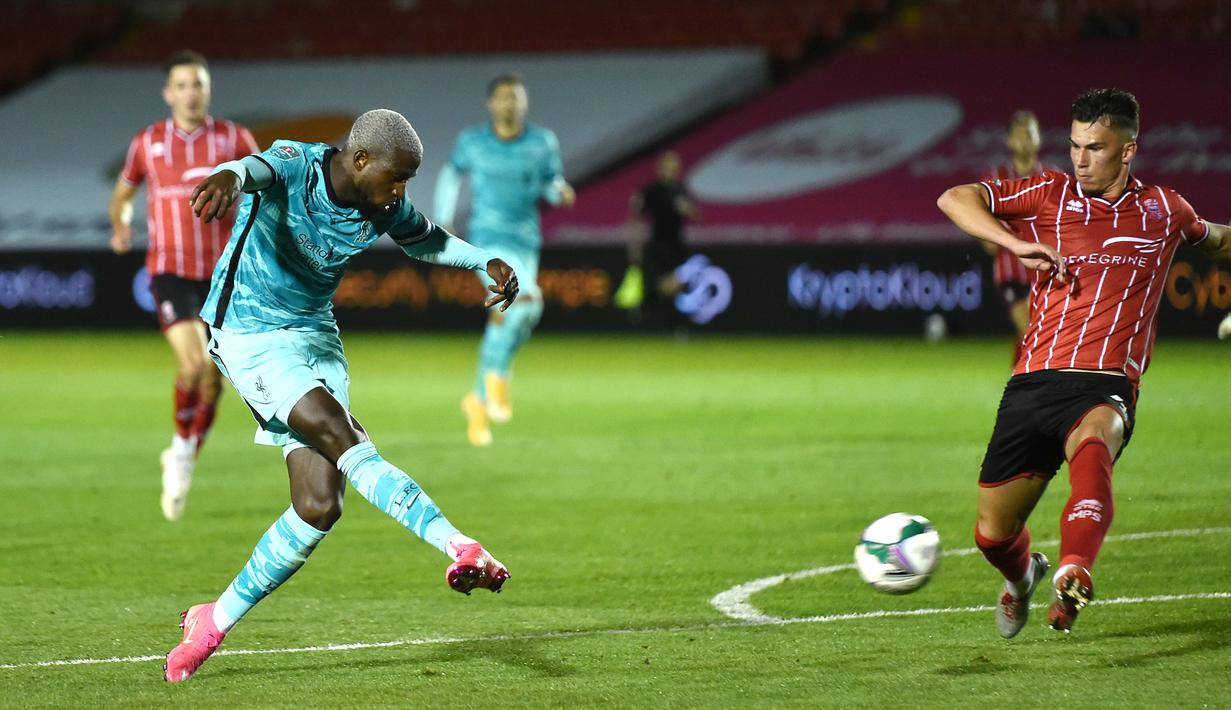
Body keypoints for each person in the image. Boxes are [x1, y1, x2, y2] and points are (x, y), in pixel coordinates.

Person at [162, 109, 519, 683]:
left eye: (406, 181)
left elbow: (425, 239)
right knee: (343, 435)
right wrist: (228, 175)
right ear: (360, 159)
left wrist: (485, 262)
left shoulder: (381, 204)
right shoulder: (296, 164)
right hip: (250, 335)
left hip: (316, 337)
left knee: (318, 505)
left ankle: (213, 619)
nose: (400, 191)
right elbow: (255, 169)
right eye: (396, 177)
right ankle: (460, 545)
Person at [937, 88, 1229, 638]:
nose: (1080, 159)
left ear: (1128, 149)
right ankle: (1022, 576)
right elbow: (954, 198)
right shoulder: (1050, 192)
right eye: (1074, 145)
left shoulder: (1165, 209)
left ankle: (1074, 571)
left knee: (1096, 441)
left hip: (1106, 382)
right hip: (1032, 381)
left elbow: (1216, 240)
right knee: (992, 535)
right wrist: (1013, 244)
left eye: (1094, 148)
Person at [109, 50, 260, 521]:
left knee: (214, 380)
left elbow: (267, 189)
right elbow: (123, 192)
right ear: (168, 93)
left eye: (198, 84)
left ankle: (188, 453)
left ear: (208, 90)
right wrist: (121, 223)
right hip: (170, 270)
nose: (190, 93)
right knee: (194, 364)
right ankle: (179, 446)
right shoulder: (148, 142)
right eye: (182, 85)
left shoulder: (234, 138)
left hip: (223, 275)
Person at [433, 73, 575, 447]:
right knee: (524, 299)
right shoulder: (473, 142)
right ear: (491, 103)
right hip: (488, 240)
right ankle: (498, 382)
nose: (510, 103)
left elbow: (550, 181)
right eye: (504, 97)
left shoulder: (542, 142)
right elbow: (450, 174)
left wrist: (559, 192)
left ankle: (478, 401)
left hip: (526, 241)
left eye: (516, 97)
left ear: (524, 103)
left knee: (521, 313)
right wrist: (444, 218)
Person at [980, 111, 1048, 362]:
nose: (1024, 141)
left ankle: (1019, 375)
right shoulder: (995, 179)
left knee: (1036, 336)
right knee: (1033, 331)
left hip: (1044, 273)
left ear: (1039, 138)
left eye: (1029, 134)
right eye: (1019, 135)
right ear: (1009, 140)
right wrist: (987, 237)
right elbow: (976, 216)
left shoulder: (1053, 179)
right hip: (1011, 271)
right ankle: (1030, 378)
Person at [623, 151, 699, 326]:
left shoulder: (681, 189)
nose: (669, 170)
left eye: (673, 166)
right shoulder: (652, 190)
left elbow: (697, 215)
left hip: (677, 244)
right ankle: (649, 308)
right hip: (659, 244)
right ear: (660, 169)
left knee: (677, 285)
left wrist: (687, 209)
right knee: (671, 284)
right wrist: (634, 244)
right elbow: (635, 213)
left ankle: (649, 307)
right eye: (666, 166)